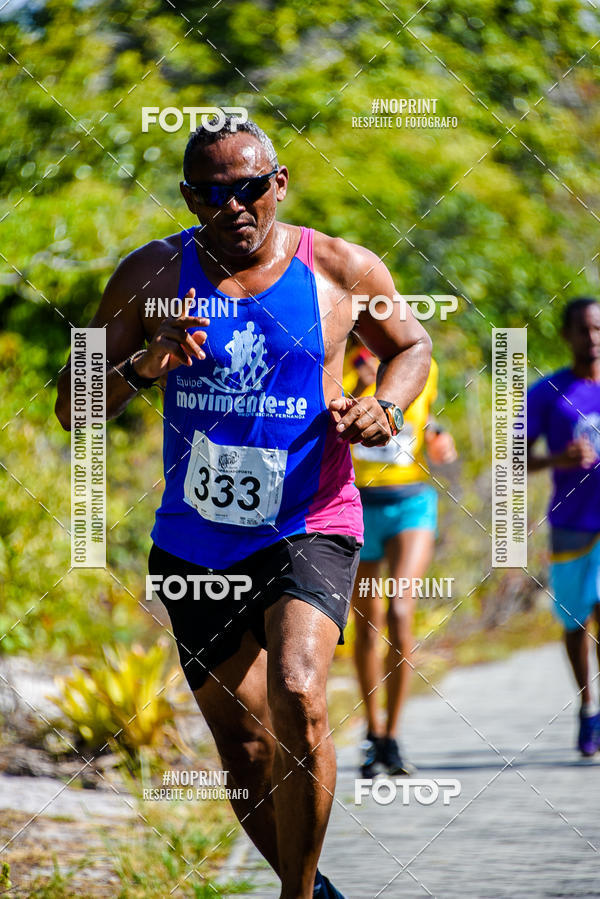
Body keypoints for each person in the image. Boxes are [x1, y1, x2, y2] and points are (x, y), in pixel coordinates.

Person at [55, 117, 432, 899]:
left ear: (279, 183)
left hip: (310, 517)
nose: (236, 204)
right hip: (198, 541)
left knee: (299, 689)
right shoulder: (149, 276)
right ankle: (312, 884)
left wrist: (385, 408)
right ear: (191, 198)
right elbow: (73, 405)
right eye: (216, 192)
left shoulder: (340, 267)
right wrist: (140, 362)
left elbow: (411, 346)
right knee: (248, 746)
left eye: (251, 186)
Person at [344, 345, 456, 777]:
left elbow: (425, 415)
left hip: (412, 501)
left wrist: (438, 438)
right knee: (367, 620)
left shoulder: (424, 363)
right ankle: (373, 736)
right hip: (356, 501)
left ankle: (393, 734)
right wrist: (358, 384)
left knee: (400, 609)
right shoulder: (339, 356)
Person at [527, 297, 600, 757]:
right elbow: (513, 458)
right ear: (567, 335)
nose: (592, 339)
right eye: (583, 330)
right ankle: (587, 706)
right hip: (572, 523)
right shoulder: (548, 392)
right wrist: (559, 458)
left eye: (598, 329)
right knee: (576, 620)